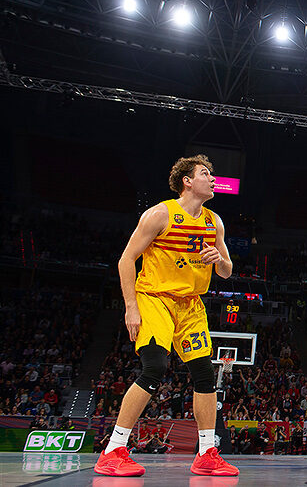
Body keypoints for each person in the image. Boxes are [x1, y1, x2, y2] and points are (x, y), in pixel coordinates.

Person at [94, 155, 238, 477]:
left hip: (191, 305)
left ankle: (206, 454)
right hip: (155, 298)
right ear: (187, 181)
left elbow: (227, 271)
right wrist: (131, 307)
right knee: (155, 367)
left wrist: (218, 259)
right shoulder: (160, 214)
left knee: (204, 374)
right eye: (205, 173)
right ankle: (113, 450)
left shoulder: (214, 222)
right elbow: (126, 259)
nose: (213, 179)